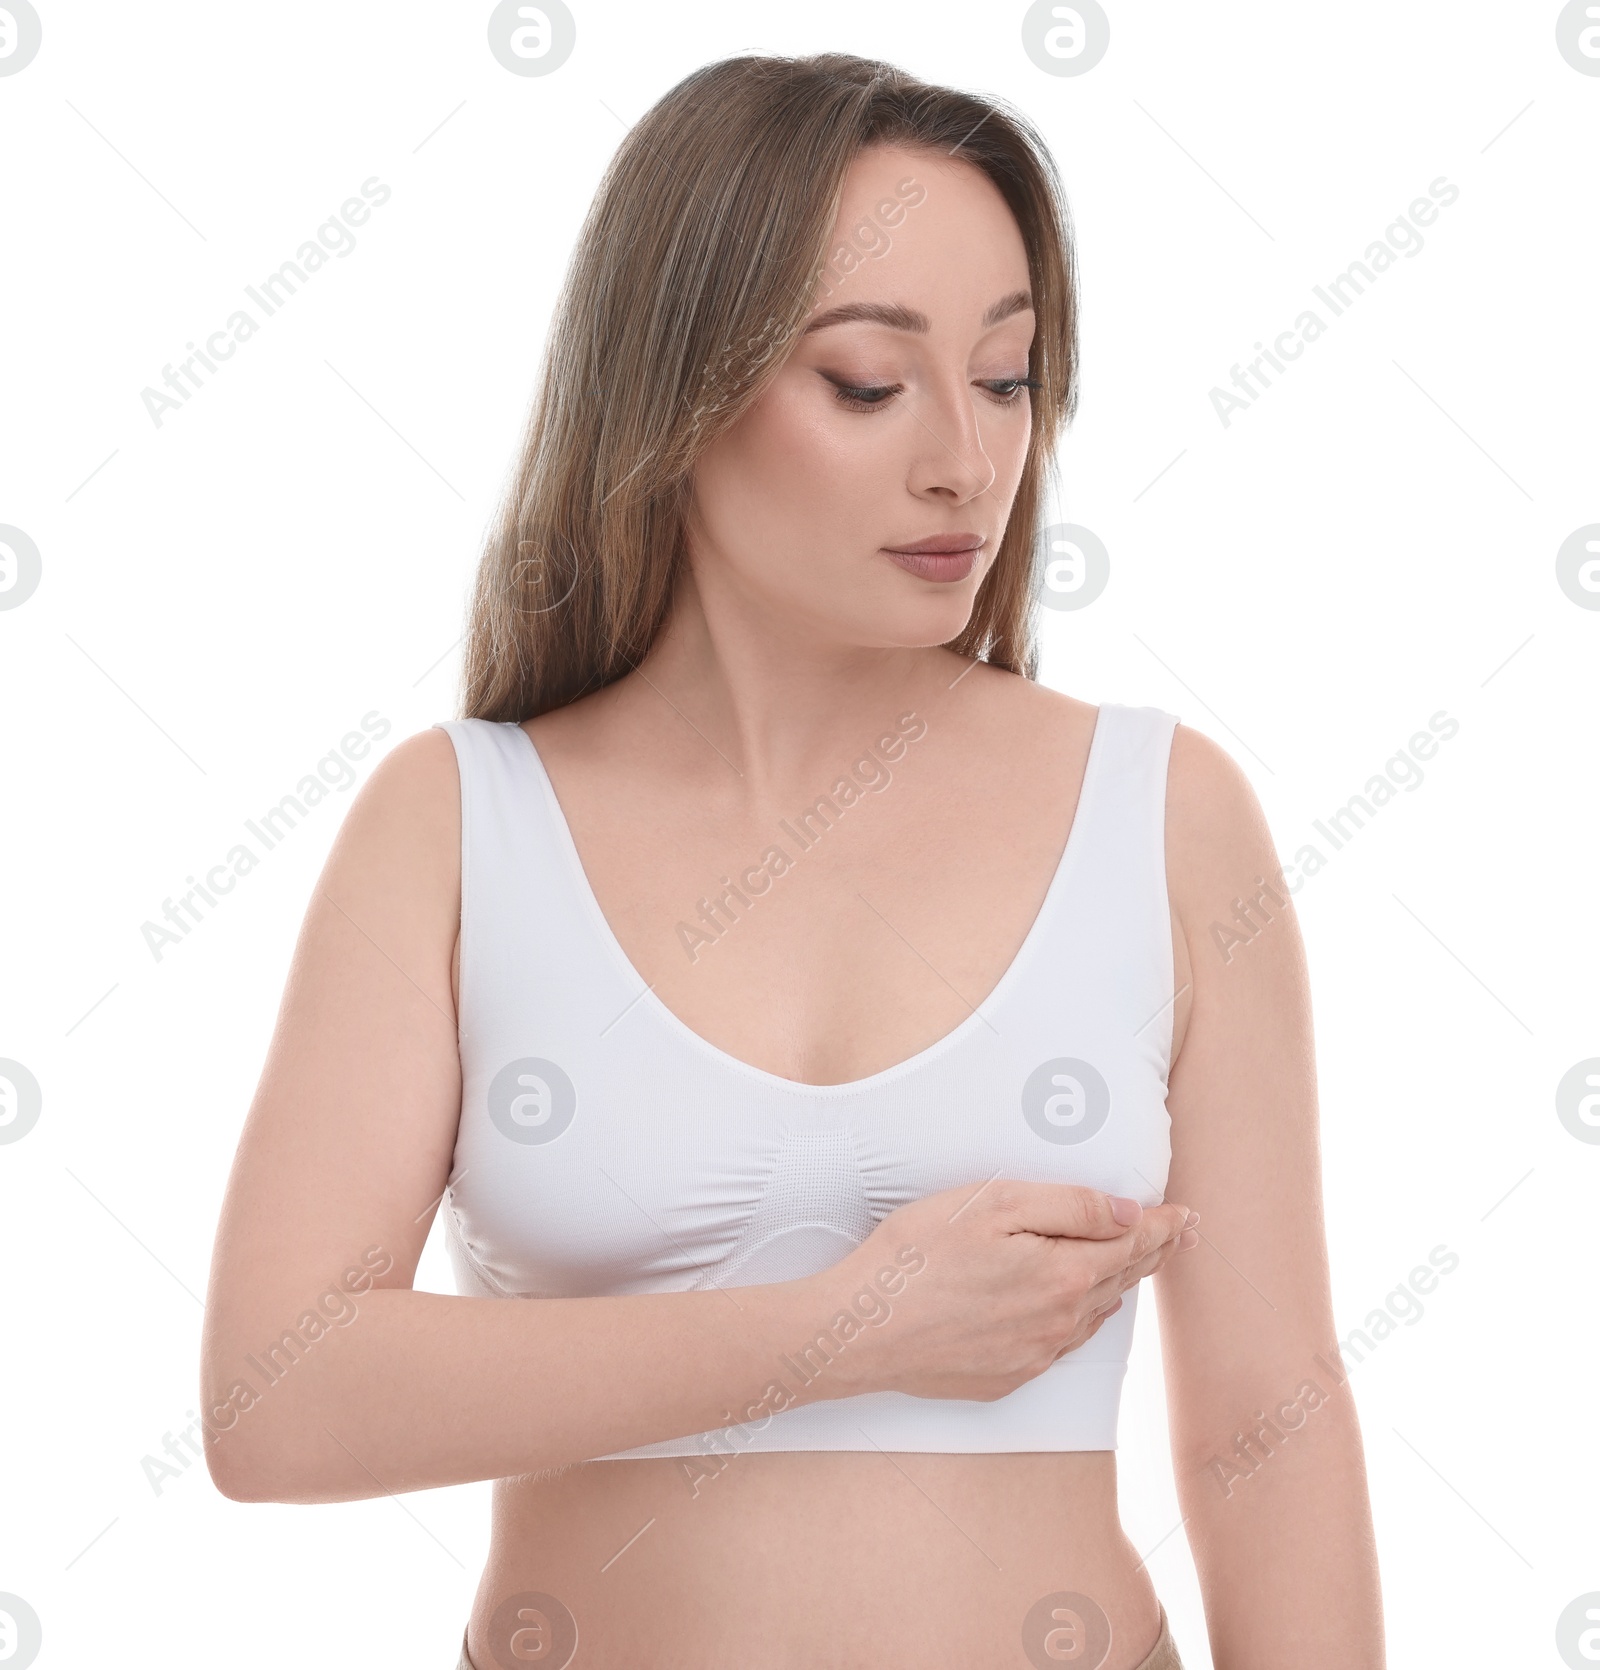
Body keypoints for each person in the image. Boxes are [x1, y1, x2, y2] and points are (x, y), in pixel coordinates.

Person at [201, 52, 1385, 1669]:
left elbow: (1272, 1423)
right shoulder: (460, 823)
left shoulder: (1165, 816)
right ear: (676, 391)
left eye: (1009, 376)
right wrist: (847, 1328)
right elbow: (275, 1398)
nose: (967, 463)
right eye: (867, 383)